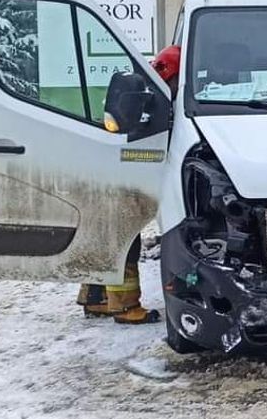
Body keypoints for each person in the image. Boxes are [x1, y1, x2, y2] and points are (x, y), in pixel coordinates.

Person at [75, 45, 182, 325]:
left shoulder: (139, 92)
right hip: (116, 176)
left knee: (106, 231)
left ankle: (96, 296)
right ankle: (124, 306)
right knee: (123, 235)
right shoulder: (155, 100)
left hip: (102, 172)